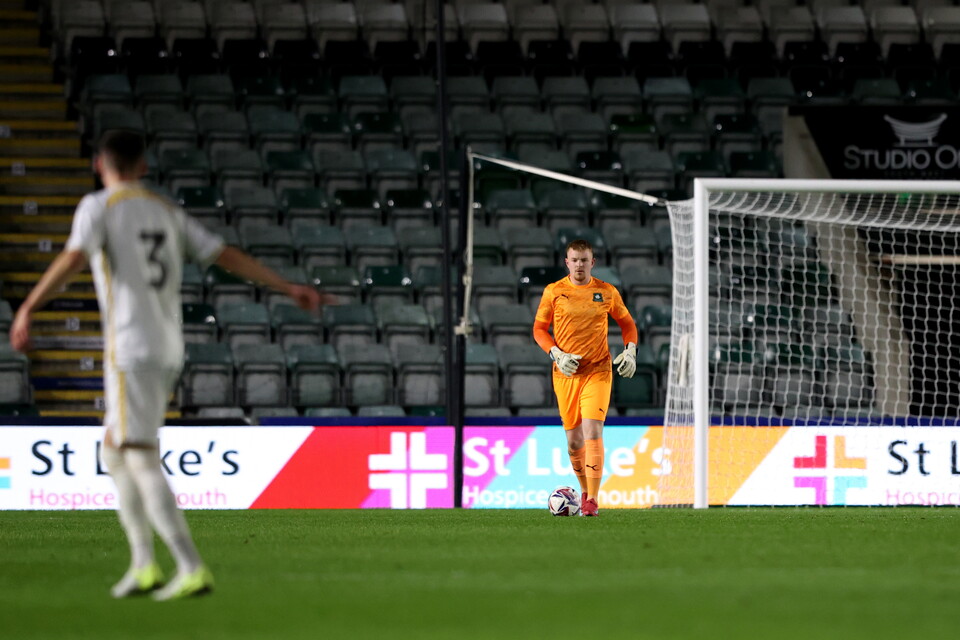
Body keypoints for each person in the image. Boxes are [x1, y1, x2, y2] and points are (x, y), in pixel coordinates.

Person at [9, 130, 326, 600]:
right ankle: (142, 564)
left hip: (131, 348)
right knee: (115, 451)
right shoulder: (165, 211)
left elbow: (74, 258)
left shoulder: (99, 207)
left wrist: (28, 306)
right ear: (142, 166)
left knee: (136, 453)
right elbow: (224, 254)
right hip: (167, 346)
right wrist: (286, 287)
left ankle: (189, 564)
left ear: (100, 165)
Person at [533, 239, 638, 517]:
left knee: (592, 431)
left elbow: (627, 324)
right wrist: (555, 352)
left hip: (598, 370)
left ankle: (592, 500)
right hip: (566, 373)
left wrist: (630, 350)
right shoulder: (553, 291)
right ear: (567, 262)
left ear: (593, 262)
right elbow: (539, 329)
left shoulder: (606, 292)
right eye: (574, 260)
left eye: (584, 260)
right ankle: (584, 491)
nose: (579, 265)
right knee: (574, 442)